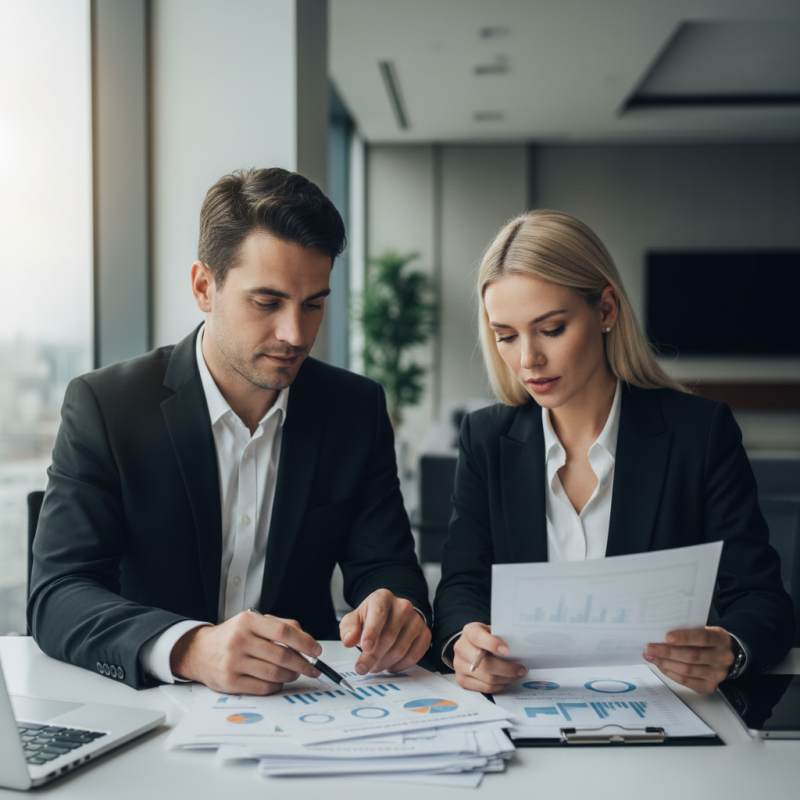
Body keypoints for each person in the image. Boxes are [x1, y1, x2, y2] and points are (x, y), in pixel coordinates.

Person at [29, 168, 432, 693]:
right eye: (266, 302)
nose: (294, 334)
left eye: (313, 304)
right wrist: (189, 648)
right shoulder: (107, 406)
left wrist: (395, 609)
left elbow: (388, 566)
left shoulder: (355, 409)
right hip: (151, 706)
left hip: (305, 705)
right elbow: (59, 592)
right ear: (204, 286)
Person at [432, 209, 795, 695]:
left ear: (605, 310)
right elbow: (461, 586)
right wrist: (465, 641)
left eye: (551, 329)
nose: (527, 359)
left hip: (662, 713)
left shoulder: (699, 433)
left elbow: (761, 600)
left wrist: (729, 648)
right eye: (506, 336)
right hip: (525, 709)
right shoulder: (485, 438)